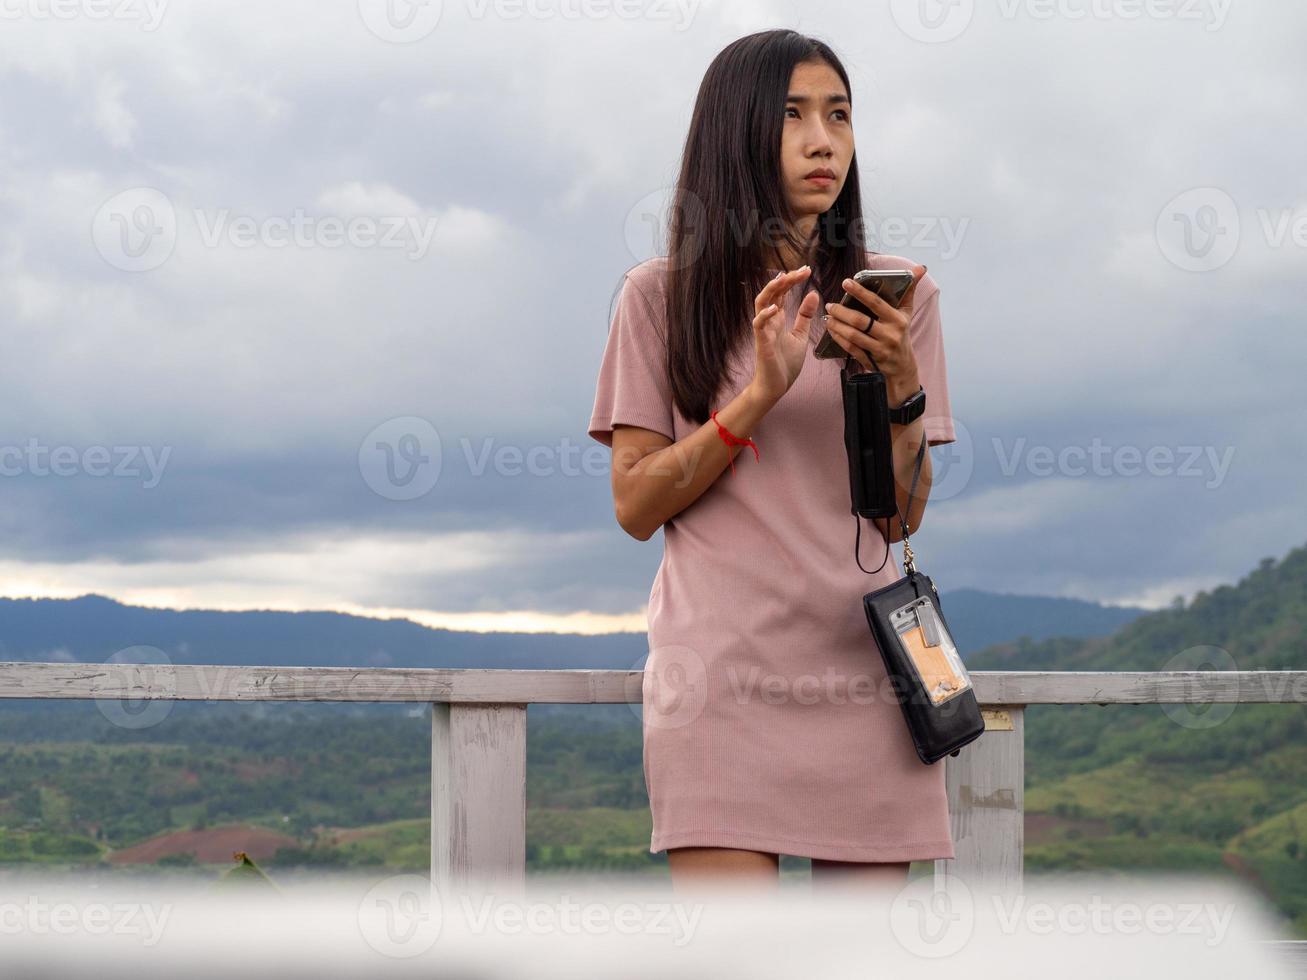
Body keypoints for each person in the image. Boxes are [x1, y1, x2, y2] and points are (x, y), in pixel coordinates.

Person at [587, 28, 958, 896]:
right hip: (719, 683)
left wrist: (899, 382)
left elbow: (899, 519)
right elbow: (636, 504)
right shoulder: (660, 298)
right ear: (735, 131)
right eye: (792, 115)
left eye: (838, 114)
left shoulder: (898, 294)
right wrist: (757, 397)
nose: (823, 139)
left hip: (870, 670)